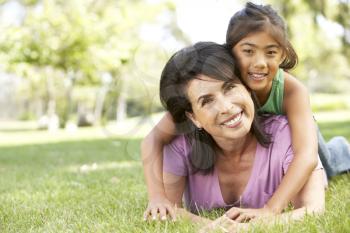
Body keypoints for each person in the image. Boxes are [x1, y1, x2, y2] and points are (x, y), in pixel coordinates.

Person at [142, 2, 350, 221]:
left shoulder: (291, 90)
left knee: (327, 160)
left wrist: (271, 209)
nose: (259, 63)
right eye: (248, 51)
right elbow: (152, 140)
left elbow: (306, 156)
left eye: (270, 52)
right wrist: (157, 197)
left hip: (302, 142)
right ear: (231, 52)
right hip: (270, 138)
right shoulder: (223, 76)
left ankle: (341, 152)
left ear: (282, 54)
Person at [153, 42, 326, 232]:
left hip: (311, 152)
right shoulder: (180, 146)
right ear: (193, 117)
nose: (226, 107)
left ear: (247, 88)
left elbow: (313, 209)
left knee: (332, 159)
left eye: (229, 87)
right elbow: (169, 210)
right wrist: (216, 227)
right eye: (207, 101)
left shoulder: (288, 135)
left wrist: (252, 226)